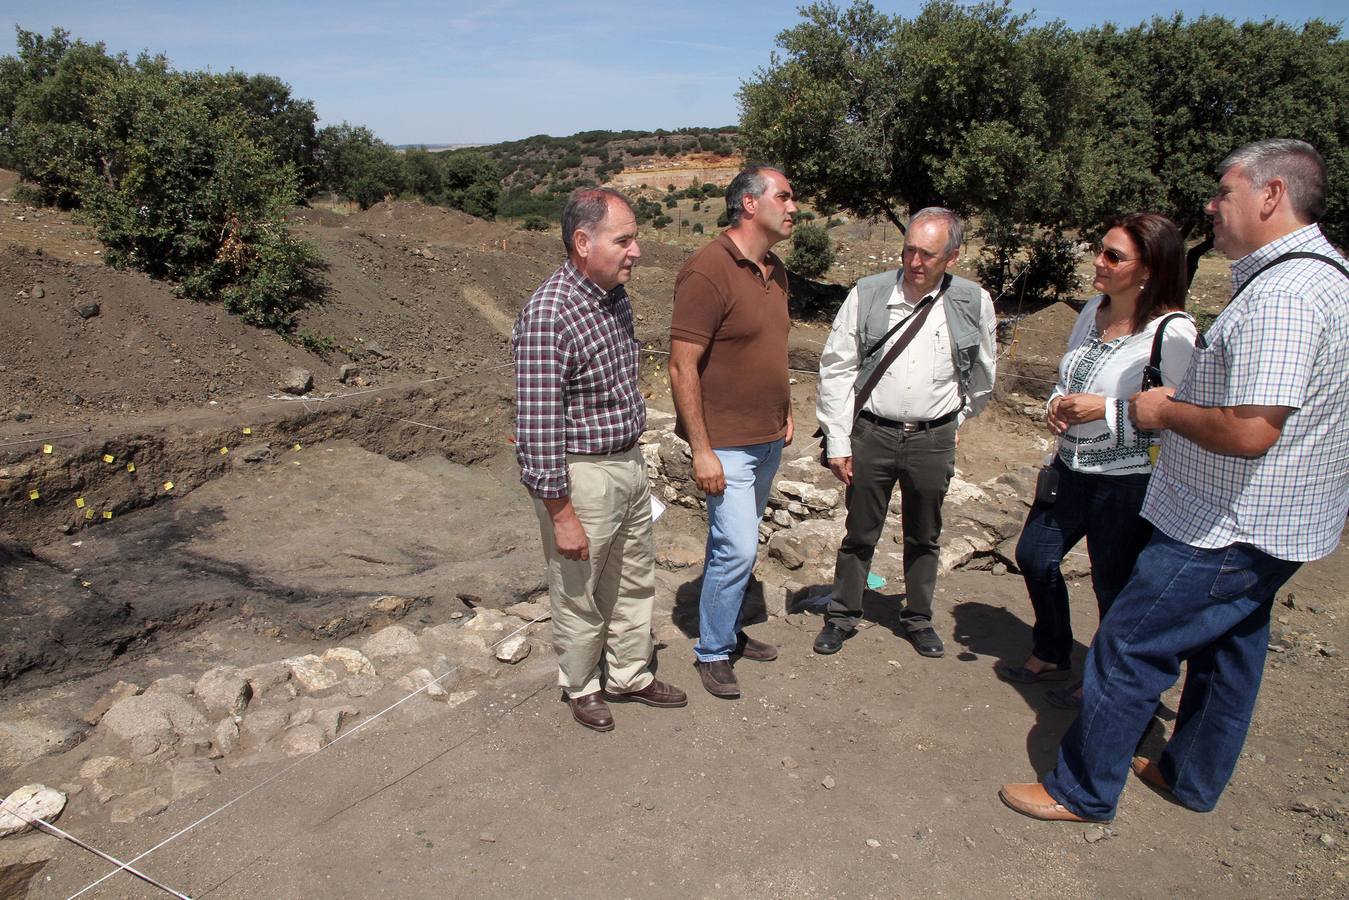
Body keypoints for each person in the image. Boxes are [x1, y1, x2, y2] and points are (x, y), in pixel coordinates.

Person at [1001, 139, 1349, 823]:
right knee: (1229, 649)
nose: (1211, 207)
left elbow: (1251, 430)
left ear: (1271, 195)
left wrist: (1159, 408)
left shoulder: (1281, 293)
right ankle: (1187, 772)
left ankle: (1080, 790)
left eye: (1224, 193)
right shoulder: (1324, 276)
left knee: (1128, 643)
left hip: (1227, 522)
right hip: (1283, 521)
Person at [995, 213, 1196, 705]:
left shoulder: (1173, 334)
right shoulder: (1092, 310)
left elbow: (1184, 410)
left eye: (1113, 256)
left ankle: (1104, 686)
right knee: (1034, 556)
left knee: (1114, 587)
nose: (1098, 262)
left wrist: (1102, 409)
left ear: (1148, 269)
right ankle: (1053, 649)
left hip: (1127, 480)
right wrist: (1055, 406)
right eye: (1100, 250)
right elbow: (1069, 379)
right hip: (1070, 466)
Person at [513, 187, 687, 733]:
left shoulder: (614, 297)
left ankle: (630, 673)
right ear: (583, 242)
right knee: (578, 589)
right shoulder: (549, 315)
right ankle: (582, 684)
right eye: (625, 240)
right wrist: (561, 513)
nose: (637, 251)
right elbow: (537, 426)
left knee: (634, 579)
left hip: (629, 464)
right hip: (583, 474)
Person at [813, 208, 996, 658]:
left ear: (952, 257)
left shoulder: (974, 301)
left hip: (932, 439)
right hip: (872, 433)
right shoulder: (868, 293)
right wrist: (838, 440)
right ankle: (841, 616)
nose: (915, 262)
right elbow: (837, 369)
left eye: (928, 254)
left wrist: (954, 421)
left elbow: (984, 374)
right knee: (859, 531)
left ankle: (917, 618)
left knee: (924, 534)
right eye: (909, 250)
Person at [669, 165, 797, 700]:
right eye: (784, 197)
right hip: (725, 444)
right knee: (738, 549)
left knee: (732, 546)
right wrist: (702, 450)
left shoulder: (776, 270)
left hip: (768, 437)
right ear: (749, 204)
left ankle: (726, 628)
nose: (794, 207)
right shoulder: (707, 270)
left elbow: (769, 349)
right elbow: (681, 365)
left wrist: (784, 411)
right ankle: (713, 650)